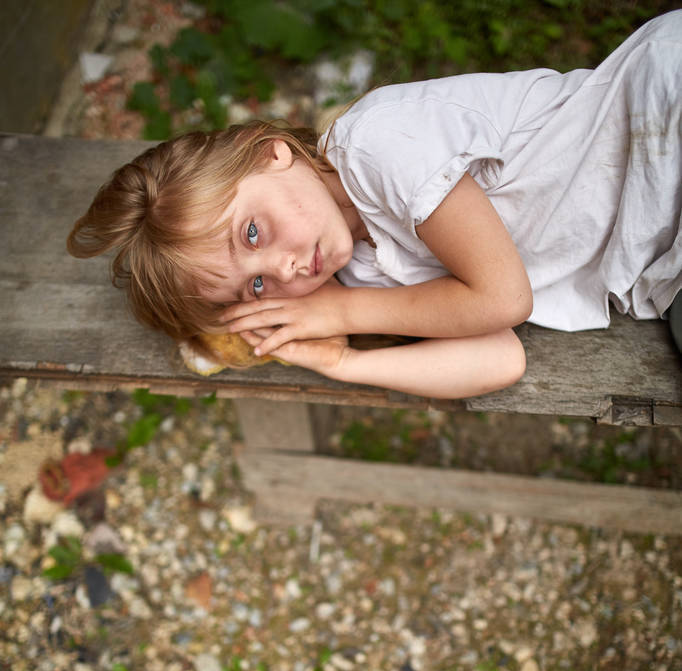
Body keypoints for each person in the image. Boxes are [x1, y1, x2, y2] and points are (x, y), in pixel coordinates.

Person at [67, 11, 682, 399]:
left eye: (252, 234)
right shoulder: (359, 269)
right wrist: (343, 361)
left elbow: (504, 300)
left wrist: (346, 313)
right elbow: (500, 355)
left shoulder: (380, 144)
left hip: (663, 126)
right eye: (255, 288)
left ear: (272, 153)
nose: (282, 271)